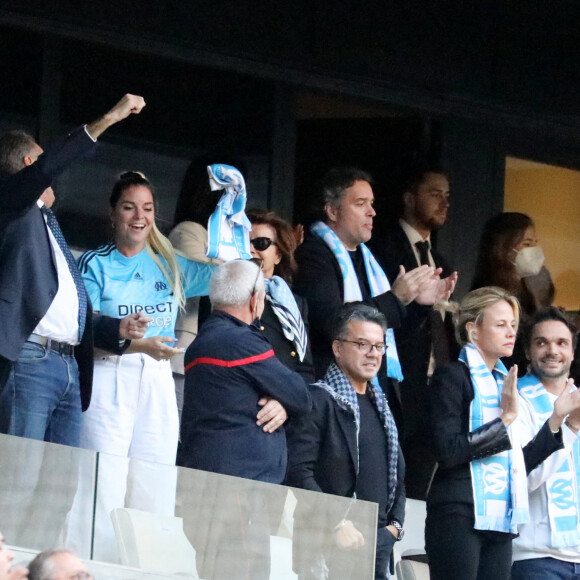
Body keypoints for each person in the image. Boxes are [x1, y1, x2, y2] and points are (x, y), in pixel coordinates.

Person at [75, 171, 215, 562]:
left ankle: (146, 567)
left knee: (154, 479)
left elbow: (228, 275)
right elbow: (82, 324)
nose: (139, 216)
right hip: (109, 373)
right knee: (103, 482)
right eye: (129, 207)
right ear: (113, 214)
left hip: (156, 377)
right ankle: (91, 568)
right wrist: (131, 338)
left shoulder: (170, 261)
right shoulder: (95, 262)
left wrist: (230, 229)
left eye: (148, 208)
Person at [0, 94, 149, 447]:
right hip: (31, 361)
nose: (54, 177)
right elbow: (47, 168)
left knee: (58, 491)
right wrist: (109, 118)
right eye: (42, 162)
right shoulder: (10, 205)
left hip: (68, 366)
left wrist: (115, 328)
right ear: (29, 162)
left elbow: (56, 304)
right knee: (17, 486)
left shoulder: (47, 222)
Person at [294, 166, 456, 428]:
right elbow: (333, 321)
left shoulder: (368, 260)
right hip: (335, 393)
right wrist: (396, 298)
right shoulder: (314, 255)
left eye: (371, 203)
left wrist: (419, 306)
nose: (372, 212)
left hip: (374, 391)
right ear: (332, 210)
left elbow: (388, 331)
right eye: (360, 203)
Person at [426, 286, 567, 580]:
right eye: (500, 324)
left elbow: (520, 463)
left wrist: (556, 421)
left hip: (502, 516)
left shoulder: (505, 382)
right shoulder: (452, 377)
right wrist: (505, 421)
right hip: (459, 511)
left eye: (513, 326)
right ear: (473, 330)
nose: (510, 332)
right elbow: (448, 451)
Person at [286, 303, 405, 580]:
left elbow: (399, 476)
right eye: (362, 344)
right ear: (338, 348)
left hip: (378, 548)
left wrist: (394, 528)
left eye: (378, 346)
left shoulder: (383, 407)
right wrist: (337, 524)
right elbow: (297, 472)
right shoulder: (318, 400)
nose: (373, 354)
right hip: (327, 545)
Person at [179, 259, 311, 481]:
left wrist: (281, 404)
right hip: (240, 481)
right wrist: (285, 399)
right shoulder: (242, 342)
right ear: (254, 300)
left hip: (210, 472)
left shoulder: (201, 342)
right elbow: (300, 395)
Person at [370, 164, 457, 499]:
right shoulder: (383, 250)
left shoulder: (443, 261)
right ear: (409, 198)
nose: (443, 203)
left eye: (447, 196)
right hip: (397, 383)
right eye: (434, 194)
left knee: (422, 483)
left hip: (435, 387)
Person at [513, 307, 580, 579]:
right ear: (528, 351)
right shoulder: (515, 398)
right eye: (542, 342)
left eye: (561, 343)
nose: (552, 351)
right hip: (536, 557)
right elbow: (524, 479)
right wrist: (569, 425)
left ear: (573, 352)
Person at [471, 212, 555, 373]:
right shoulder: (490, 296)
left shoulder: (529, 288)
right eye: (527, 243)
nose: (534, 250)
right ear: (504, 246)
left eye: (535, 243)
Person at [247, 208, 314, 383]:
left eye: (261, 243)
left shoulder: (296, 303)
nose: (250, 249)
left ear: (278, 255)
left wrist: (285, 402)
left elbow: (305, 368)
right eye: (243, 242)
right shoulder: (227, 294)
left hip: (285, 402)